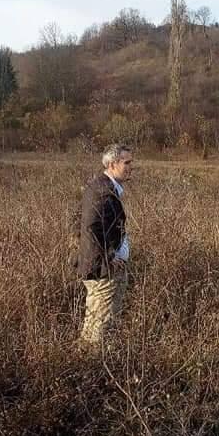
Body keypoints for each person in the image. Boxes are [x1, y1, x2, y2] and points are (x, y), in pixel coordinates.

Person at [76, 143, 133, 347]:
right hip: (103, 271)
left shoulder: (104, 188)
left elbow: (79, 223)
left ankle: (94, 365)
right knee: (100, 327)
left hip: (106, 268)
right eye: (126, 162)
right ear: (112, 164)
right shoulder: (101, 190)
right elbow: (90, 228)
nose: (130, 166)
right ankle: (92, 370)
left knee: (101, 325)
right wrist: (108, 257)